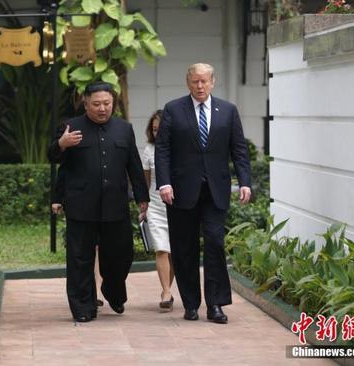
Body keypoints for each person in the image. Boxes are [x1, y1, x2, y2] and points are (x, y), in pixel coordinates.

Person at [154, 63, 252, 323]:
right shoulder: (174, 109)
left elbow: (239, 149)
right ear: (188, 83)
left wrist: (245, 182)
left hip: (216, 190)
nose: (200, 86)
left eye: (204, 81)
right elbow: (162, 149)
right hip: (180, 191)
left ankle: (216, 304)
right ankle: (191, 303)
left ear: (212, 82)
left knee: (215, 243)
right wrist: (164, 183)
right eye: (195, 81)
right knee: (184, 248)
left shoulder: (228, 111)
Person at [48, 81, 149, 323]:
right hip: (81, 204)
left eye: (107, 103)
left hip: (116, 205)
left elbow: (134, 165)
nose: (102, 108)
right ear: (86, 104)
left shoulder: (124, 129)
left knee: (121, 255)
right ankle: (83, 307)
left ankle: (113, 291)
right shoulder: (70, 127)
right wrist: (62, 144)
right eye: (96, 104)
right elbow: (54, 158)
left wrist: (142, 197)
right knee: (80, 258)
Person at [51, 165, 104, 308]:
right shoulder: (74, 143)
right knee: (88, 248)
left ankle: (103, 290)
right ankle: (94, 293)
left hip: (108, 202)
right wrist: (57, 197)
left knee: (102, 247)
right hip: (80, 203)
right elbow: (65, 168)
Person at [141, 110, 175, 311]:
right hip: (155, 206)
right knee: (161, 248)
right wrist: (143, 205)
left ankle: (167, 289)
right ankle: (166, 291)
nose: (157, 133)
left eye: (161, 129)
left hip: (178, 207)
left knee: (175, 253)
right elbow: (144, 182)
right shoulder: (149, 150)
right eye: (154, 130)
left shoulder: (180, 149)